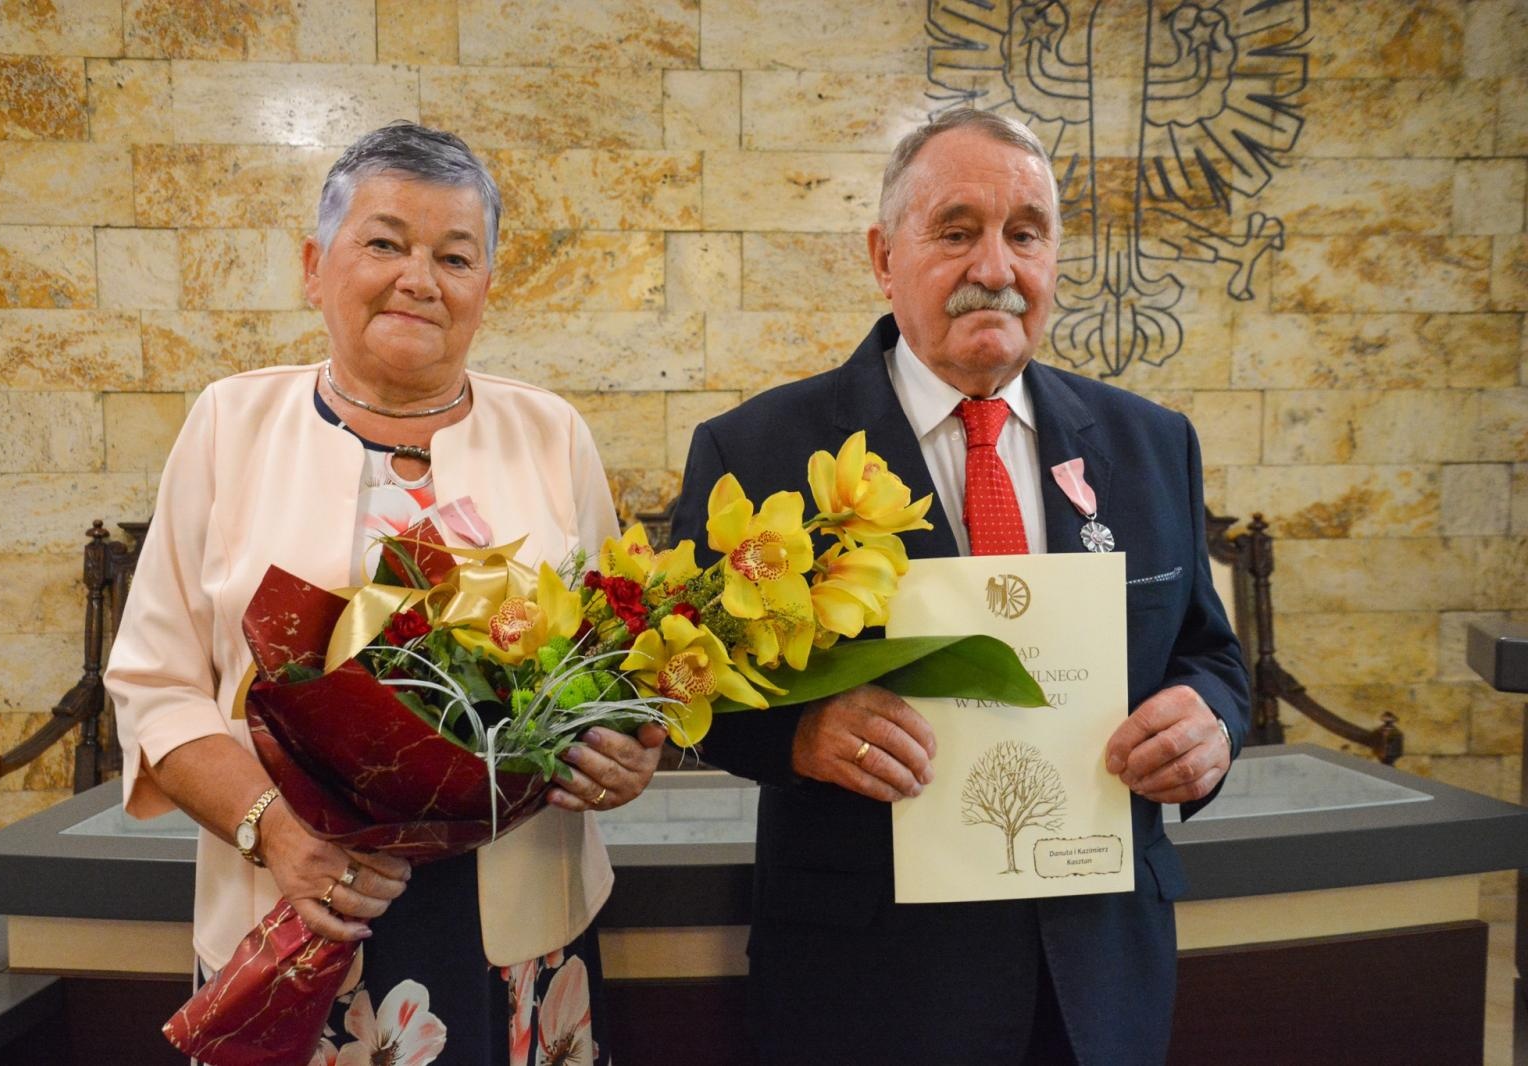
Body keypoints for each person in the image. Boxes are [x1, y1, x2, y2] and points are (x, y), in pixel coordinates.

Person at [670, 108, 1250, 1066]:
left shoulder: (1152, 444)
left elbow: (1207, 653)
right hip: (868, 986)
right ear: (881, 255)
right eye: (955, 231)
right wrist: (799, 731)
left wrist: (1212, 725)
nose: (996, 267)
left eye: (1026, 234)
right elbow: (688, 690)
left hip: (1096, 977)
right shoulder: (758, 451)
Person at [105, 122, 665, 1066]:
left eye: (455, 255)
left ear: (486, 287)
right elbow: (157, 685)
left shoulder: (553, 433)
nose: (420, 278)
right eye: (385, 243)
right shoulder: (228, 425)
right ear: (314, 264)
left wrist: (626, 752)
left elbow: (616, 664)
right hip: (294, 908)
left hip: (516, 926)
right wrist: (275, 832)